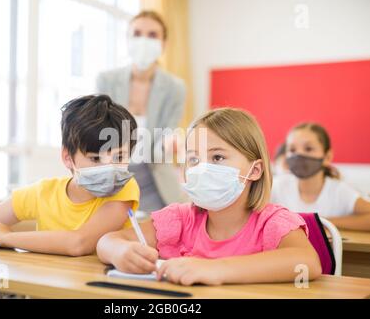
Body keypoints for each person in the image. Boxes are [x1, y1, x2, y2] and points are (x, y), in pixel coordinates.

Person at [97, 108, 321, 286]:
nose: (201, 169)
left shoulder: (271, 223)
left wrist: (217, 269)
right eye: (193, 160)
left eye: (217, 157)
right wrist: (121, 252)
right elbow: (107, 241)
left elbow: (308, 262)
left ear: (255, 170)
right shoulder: (179, 219)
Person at [0, 95, 140, 256]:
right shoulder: (44, 193)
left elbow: (79, 243)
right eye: (96, 159)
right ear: (67, 157)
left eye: (119, 156)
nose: (110, 167)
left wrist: (8, 238)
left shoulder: (124, 190)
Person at [96, 10, 187, 213]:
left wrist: (172, 142)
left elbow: (169, 131)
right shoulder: (106, 80)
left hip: (156, 184)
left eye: (152, 35)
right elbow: (98, 131)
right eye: (137, 33)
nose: (143, 40)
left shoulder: (175, 88)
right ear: (127, 40)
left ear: (164, 44)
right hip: (113, 182)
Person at [271, 123, 370, 231]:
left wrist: (322, 222)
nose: (298, 155)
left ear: (327, 157)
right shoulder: (276, 187)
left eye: (308, 149)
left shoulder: (338, 191)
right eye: (292, 150)